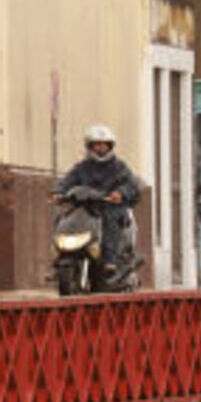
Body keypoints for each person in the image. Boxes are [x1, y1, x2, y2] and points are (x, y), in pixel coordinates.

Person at [57, 123, 145, 290]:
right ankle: (60, 253)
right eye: (96, 144)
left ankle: (109, 259)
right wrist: (58, 192)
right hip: (88, 207)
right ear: (89, 146)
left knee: (110, 220)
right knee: (64, 216)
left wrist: (120, 192)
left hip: (111, 207)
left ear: (110, 146)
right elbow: (68, 181)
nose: (100, 148)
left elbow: (131, 184)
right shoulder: (82, 167)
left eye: (104, 144)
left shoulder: (119, 167)